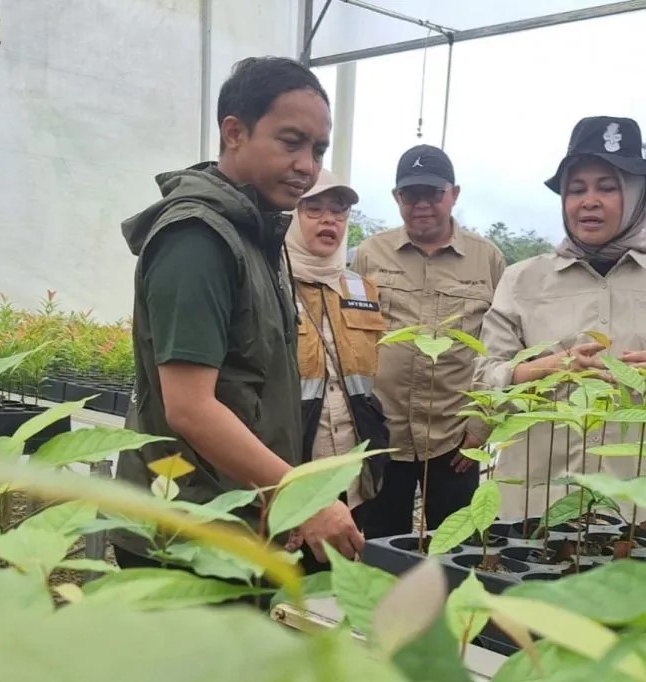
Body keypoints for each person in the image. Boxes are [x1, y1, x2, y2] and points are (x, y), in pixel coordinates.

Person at [111, 57, 363, 569]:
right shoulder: (197, 241)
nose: (307, 165)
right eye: (290, 142)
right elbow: (189, 406)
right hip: (185, 533)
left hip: (234, 518)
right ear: (234, 133)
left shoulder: (256, 234)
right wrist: (299, 494)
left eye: (317, 149)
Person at [475, 116, 646, 520]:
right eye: (577, 189)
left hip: (642, 512)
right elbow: (483, 382)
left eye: (607, 187)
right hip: (533, 503)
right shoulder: (522, 281)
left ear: (636, 194)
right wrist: (546, 368)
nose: (589, 200)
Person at [352, 144, 506, 539]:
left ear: (453, 194)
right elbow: (350, 340)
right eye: (411, 194)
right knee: (383, 548)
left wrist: (481, 424)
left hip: (456, 438)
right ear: (397, 198)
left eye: (433, 193)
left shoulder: (487, 260)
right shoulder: (370, 255)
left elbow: (504, 347)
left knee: (456, 550)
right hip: (386, 436)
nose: (422, 204)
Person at [288, 169, 389, 522]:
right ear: (291, 214)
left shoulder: (361, 289)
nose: (329, 219)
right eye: (313, 208)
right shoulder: (266, 283)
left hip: (356, 476)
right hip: (291, 472)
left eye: (339, 210)